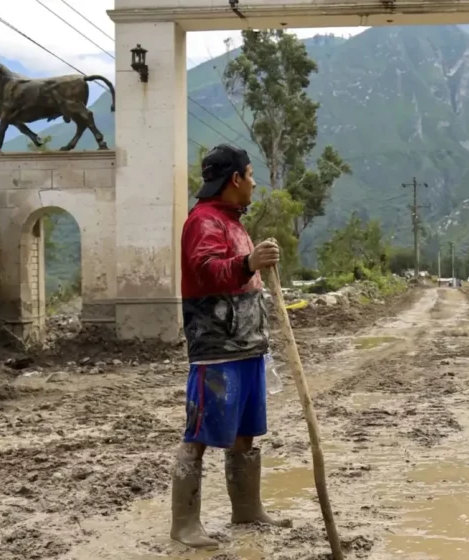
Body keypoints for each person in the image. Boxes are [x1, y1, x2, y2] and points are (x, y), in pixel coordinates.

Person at [171, 144, 290, 550]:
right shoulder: (203, 222)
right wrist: (248, 264)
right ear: (235, 179)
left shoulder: (233, 223)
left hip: (248, 346)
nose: (255, 182)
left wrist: (255, 264)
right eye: (251, 174)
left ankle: (247, 509)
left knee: (245, 433)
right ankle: (185, 524)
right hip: (216, 350)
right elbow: (205, 272)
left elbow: (244, 275)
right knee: (199, 433)